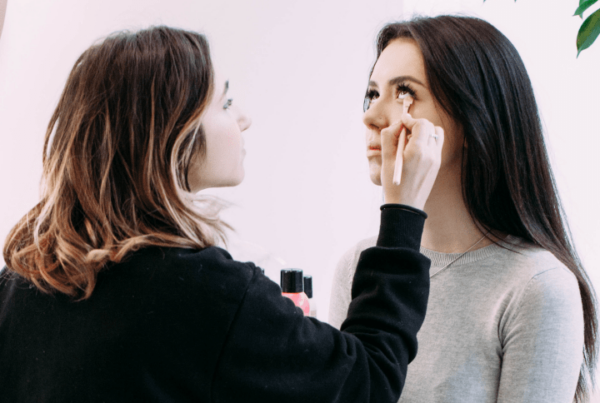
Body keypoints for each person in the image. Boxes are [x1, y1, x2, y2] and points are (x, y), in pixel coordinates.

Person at [0, 26, 444, 402]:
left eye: (404, 92)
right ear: (174, 133)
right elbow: (367, 382)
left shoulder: (19, 285)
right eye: (226, 104)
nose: (244, 118)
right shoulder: (205, 293)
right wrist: (402, 211)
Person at [329, 15, 598, 403]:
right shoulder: (357, 265)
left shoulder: (538, 287)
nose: (371, 116)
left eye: (404, 93)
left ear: (474, 121)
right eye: (373, 94)